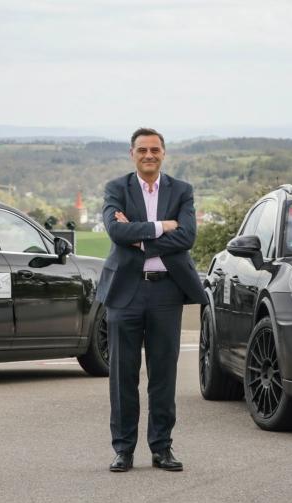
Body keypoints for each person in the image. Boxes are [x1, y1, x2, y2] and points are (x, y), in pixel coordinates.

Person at [97, 127, 207, 472]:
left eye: (155, 150)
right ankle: (123, 450)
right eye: (142, 149)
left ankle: (162, 448)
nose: (149, 155)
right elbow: (116, 232)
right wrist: (162, 227)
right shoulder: (116, 188)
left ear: (163, 153)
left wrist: (140, 235)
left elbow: (187, 236)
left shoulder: (182, 191)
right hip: (125, 294)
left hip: (165, 292)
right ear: (132, 153)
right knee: (122, 376)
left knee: (163, 376)